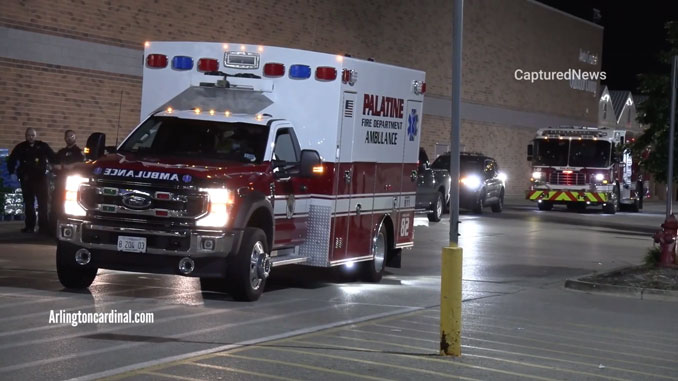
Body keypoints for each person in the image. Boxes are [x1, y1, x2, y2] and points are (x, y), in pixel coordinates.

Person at [7, 128, 57, 234]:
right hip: (27, 179)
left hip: (41, 179)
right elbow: (12, 159)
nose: (31, 137)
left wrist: (55, 167)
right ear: (25, 136)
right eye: (29, 135)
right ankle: (30, 226)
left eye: (33, 135)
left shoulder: (42, 146)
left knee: (43, 203)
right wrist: (12, 172)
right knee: (29, 204)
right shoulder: (20, 147)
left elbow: (53, 157)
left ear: (36, 136)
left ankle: (43, 227)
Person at [51, 130, 85, 232]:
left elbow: (81, 164)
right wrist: (59, 167)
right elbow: (54, 164)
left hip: (73, 184)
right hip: (60, 182)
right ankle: (54, 229)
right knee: (57, 205)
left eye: (72, 136)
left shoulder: (78, 152)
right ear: (64, 138)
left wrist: (72, 166)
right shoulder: (61, 152)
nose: (69, 138)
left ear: (75, 137)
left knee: (70, 208)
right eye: (67, 136)